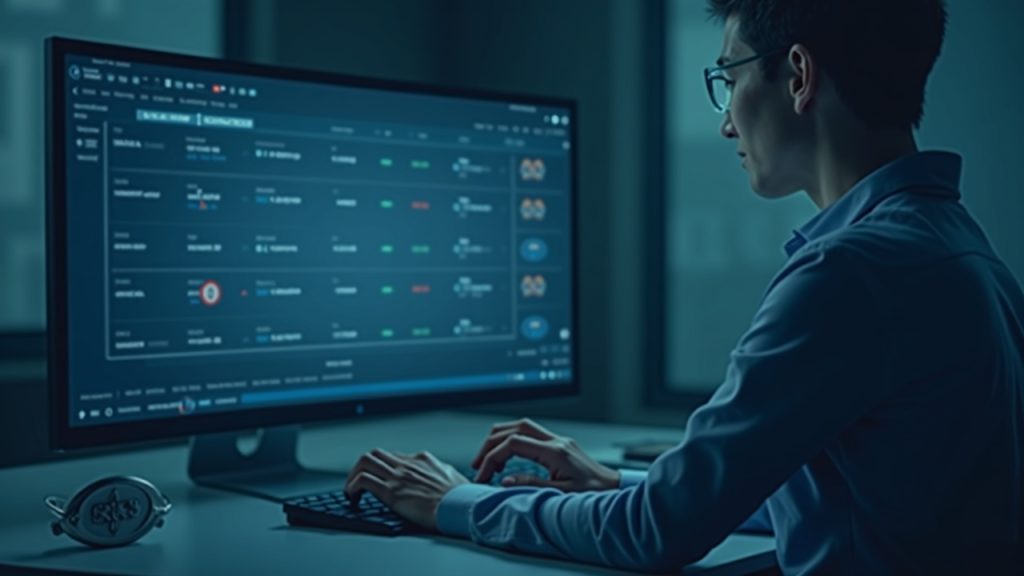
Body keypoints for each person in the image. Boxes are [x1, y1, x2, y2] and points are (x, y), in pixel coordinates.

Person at [343, 0, 1024, 573]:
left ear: (798, 75)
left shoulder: (850, 274)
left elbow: (656, 532)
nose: (726, 122)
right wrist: (619, 481)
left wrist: (454, 502)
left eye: (729, 77)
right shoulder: (961, 251)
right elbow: (850, 493)